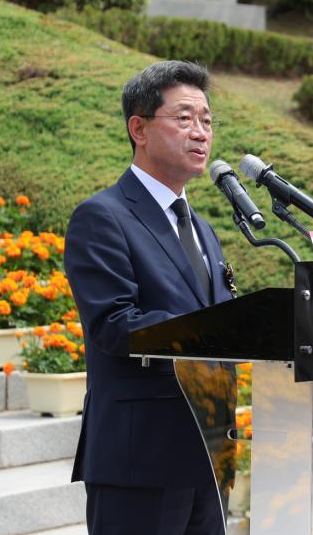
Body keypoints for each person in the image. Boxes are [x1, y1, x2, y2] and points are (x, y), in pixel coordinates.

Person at [64, 60, 237, 535]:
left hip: (210, 455)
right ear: (138, 129)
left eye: (206, 120)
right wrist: (213, 331)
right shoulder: (102, 217)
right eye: (184, 118)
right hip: (140, 459)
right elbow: (114, 324)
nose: (200, 132)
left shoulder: (202, 228)